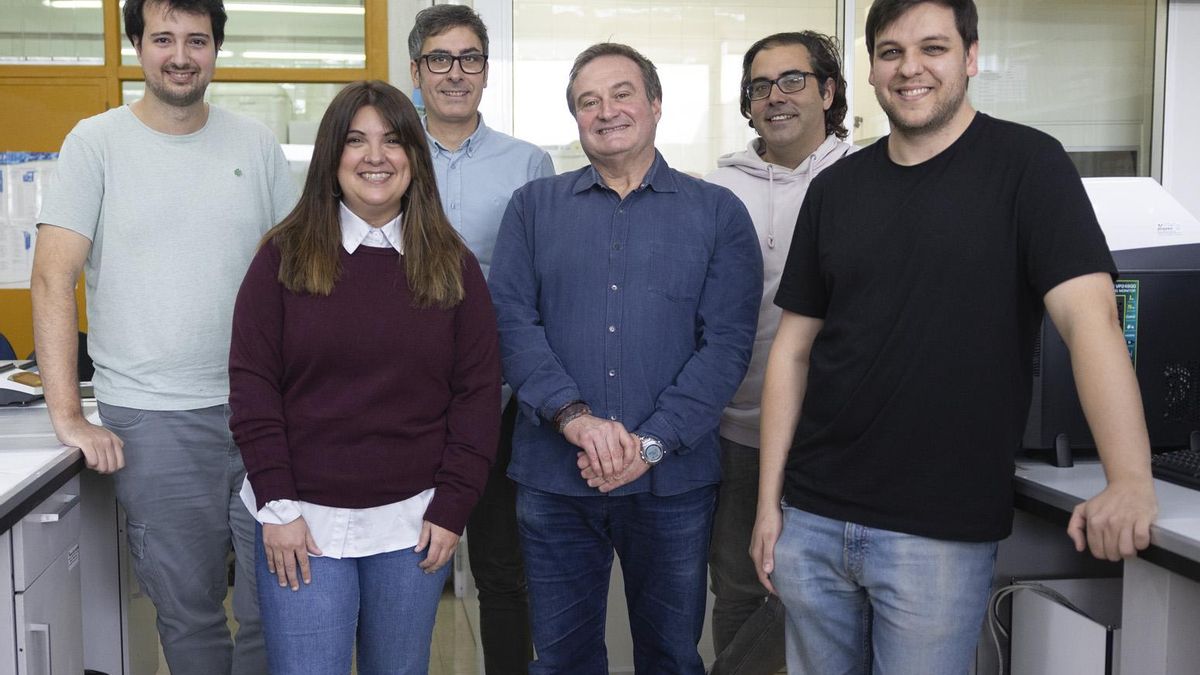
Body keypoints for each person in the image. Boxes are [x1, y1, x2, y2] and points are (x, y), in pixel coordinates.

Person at [750, 1, 1159, 673]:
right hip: (814, 521)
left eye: (932, 48)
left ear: (970, 58)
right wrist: (771, 505)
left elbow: (1090, 320)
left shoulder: (1029, 165)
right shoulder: (837, 189)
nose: (910, 68)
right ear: (873, 69)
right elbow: (792, 352)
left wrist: (1131, 478)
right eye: (890, 52)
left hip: (937, 535)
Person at [30, 0, 296, 672]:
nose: (181, 55)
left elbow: (300, 278)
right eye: (164, 38)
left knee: (280, 603)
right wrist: (68, 414)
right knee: (191, 615)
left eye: (198, 39)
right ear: (138, 46)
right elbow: (52, 279)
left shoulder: (257, 145)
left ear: (216, 48)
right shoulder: (96, 142)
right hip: (154, 419)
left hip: (265, 411)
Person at [489, 43, 762, 674]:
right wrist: (576, 419)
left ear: (656, 104)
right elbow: (511, 325)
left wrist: (653, 445)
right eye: (588, 101)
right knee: (561, 660)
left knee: (670, 655)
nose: (605, 111)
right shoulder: (532, 209)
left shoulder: (718, 213)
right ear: (575, 118)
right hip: (556, 480)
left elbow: (725, 346)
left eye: (621, 93)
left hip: (673, 484)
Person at [227, 80, 501, 674]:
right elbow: (253, 390)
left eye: (393, 140)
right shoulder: (281, 257)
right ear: (333, 156)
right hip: (300, 519)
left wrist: (453, 505)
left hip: (414, 525)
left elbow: (477, 397)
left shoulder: (453, 266)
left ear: (414, 158)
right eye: (357, 140)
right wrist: (276, 507)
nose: (375, 156)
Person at [408, 7, 555, 672]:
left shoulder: (528, 164)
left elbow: (549, 284)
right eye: (440, 58)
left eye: (469, 58)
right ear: (416, 70)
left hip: (500, 397)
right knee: (401, 564)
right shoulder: (386, 155)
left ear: (487, 71)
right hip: (401, 396)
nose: (455, 72)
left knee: (503, 566)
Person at [703, 30, 854, 675]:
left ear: (827, 91)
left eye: (793, 80)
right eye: (760, 86)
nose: (775, 97)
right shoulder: (716, 190)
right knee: (740, 588)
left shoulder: (869, 181)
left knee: (827, 598)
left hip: (839, 436)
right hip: (738, 431)